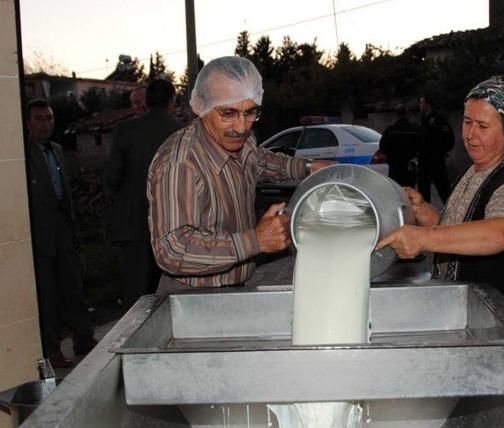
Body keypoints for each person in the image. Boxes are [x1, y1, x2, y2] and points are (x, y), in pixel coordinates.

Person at [147, 56, 334, 293]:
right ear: (200, 106)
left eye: (250, 112)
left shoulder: (241, 141)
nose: (242, 126)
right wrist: (256, 240)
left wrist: (307, 167)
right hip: (191, 297)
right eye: (228, 113)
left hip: (236, 286)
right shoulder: (180, 163)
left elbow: (260, 159)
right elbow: (172, 249)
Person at [377, 75, 504, 328]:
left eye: (482, 126)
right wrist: (428, 215)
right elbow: (468, 227)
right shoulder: (477, 169)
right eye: (467, 121)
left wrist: (424, 238)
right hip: (480, 314)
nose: (471, 134)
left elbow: (501, 233)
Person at [24, 99, 97, 368]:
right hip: (41, 236)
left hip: (63, 231)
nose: (46, 124)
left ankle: (84, 338)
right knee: (48, 295)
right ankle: (51, 349)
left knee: (73, 288)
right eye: (40, 119)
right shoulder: (24, 153)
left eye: (49, 118)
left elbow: (63, 194)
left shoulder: (56, 150)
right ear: (28, 123)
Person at [106, 79, 184, 307]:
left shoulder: (126, 130)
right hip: (172, 225)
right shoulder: (181, 133)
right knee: (169, 297)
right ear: (172, 101)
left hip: (133, 225)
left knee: (137, 298)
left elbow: (112, 177)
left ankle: (133, 341)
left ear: (146, 101)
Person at [417, 94, 454, 204]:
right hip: (423, 161)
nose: (419, 105)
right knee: (423, 190)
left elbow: (449, 138)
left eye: (421, 103)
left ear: (427, 104)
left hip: (435, 161)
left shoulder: (438, 119)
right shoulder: (422, 120)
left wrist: (440, 152)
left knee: (443, 188)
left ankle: (451, 211)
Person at [380, 104, 419, 187]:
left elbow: (382, 147)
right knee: (409, 192)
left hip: (395, 167)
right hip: (409, 166)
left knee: (396, 191)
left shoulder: (390, 130)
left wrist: (391, 156)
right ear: (407, 113)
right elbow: (420, 145)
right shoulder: (414, 129)